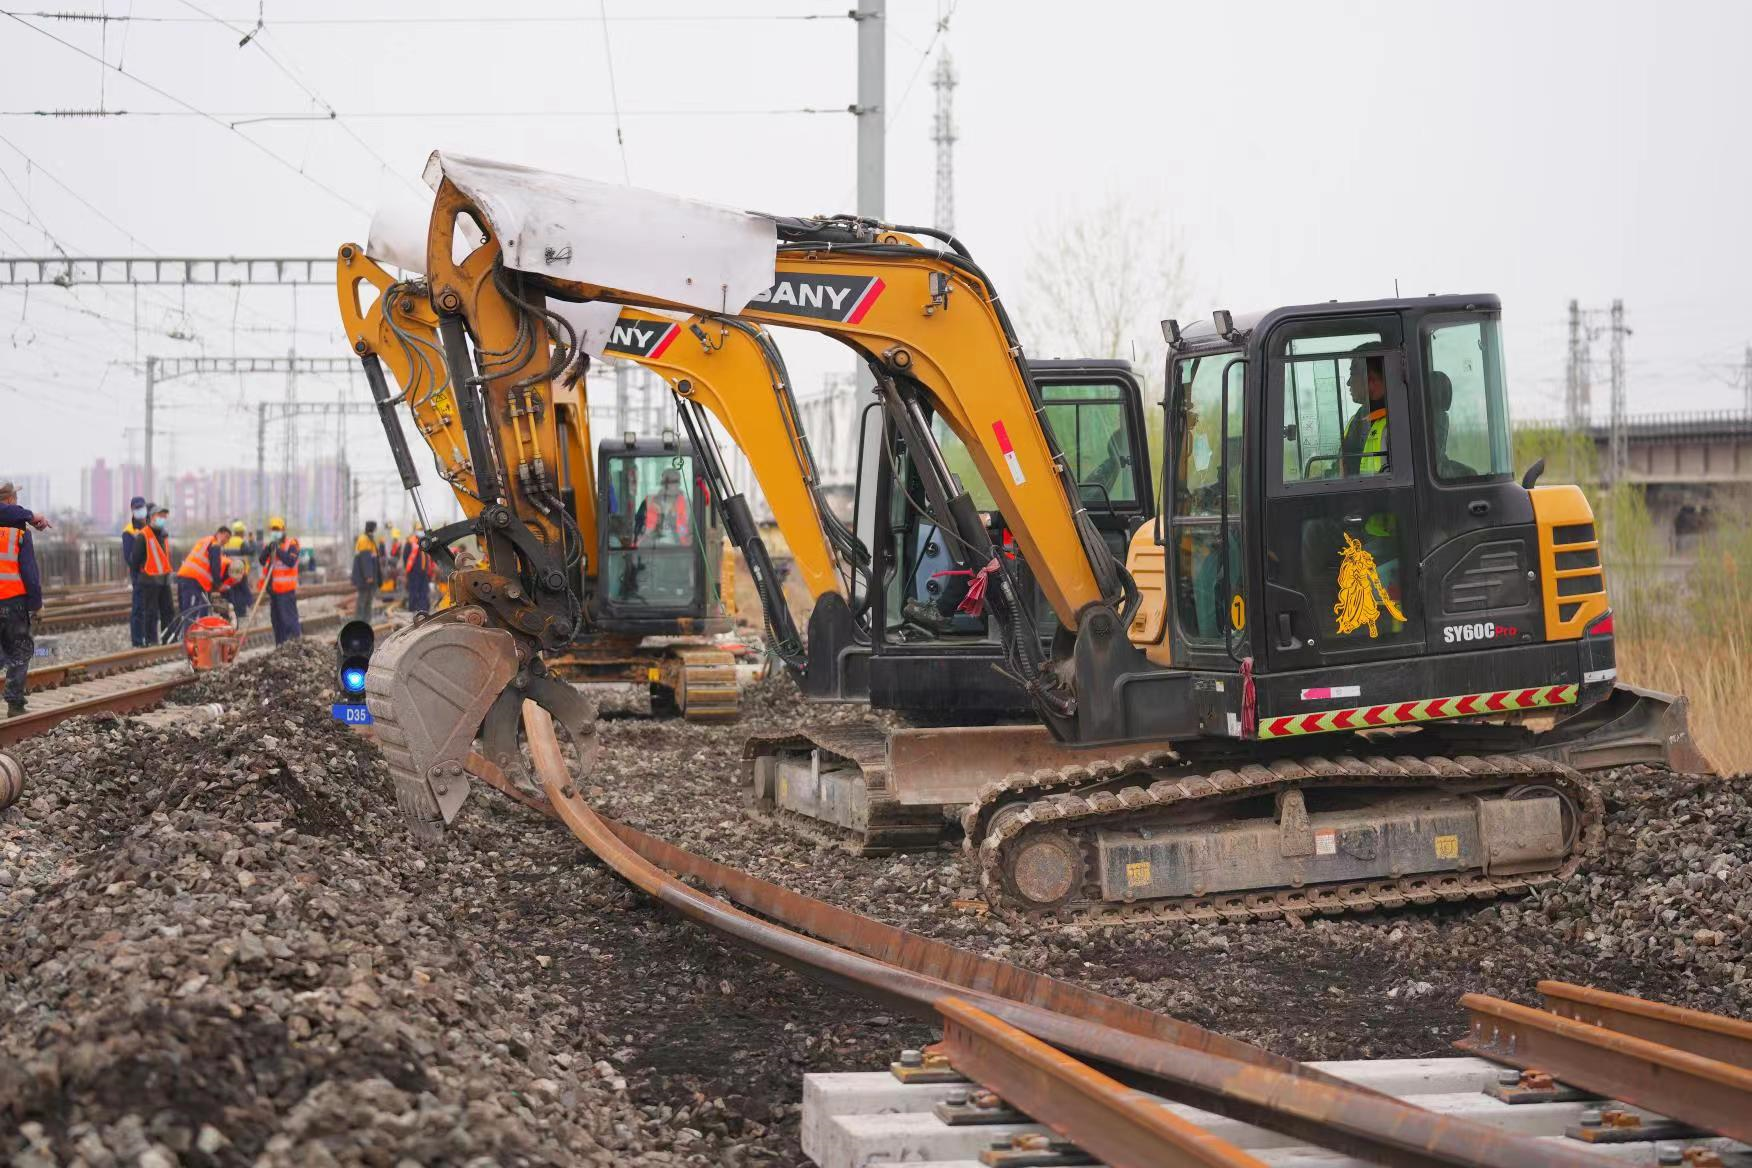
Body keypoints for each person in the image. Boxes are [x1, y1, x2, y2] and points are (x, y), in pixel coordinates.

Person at [0, 481, 51, 718]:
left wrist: (30, 516)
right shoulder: (20, 534)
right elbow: (30, 573)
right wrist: (37, 605)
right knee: (19, 650)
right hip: (13, 601)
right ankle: (15, 704)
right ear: (10, 500)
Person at [127, 505, 176, 645]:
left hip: (164, 580)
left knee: (168, 611)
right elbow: (134, 560)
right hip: (149, 581)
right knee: (151, 613)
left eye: (164, 517)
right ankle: (151, 641)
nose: (162, 519)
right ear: (151, 517)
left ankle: (168, 638)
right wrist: (141, 574)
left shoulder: (164, 535)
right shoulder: (143, 535)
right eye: (159, 516)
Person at [1341, 351, 1391, 476]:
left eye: (1352, 374)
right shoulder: (1356, 420)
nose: (1348, 382)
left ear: (1371, 379)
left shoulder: (1397, 423)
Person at [176, 523, 232, 621]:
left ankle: (185, 634)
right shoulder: (215, 545)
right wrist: (218, 584)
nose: (226, 541)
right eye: (226, 537)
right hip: (192, 580)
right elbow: (215, 567)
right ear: (219, 533)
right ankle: (189, 635)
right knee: (191, 613)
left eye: (228, 539)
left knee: (188, 611)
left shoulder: (206, 540)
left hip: (187, 577)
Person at [259, 516, 301, 644]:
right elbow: (262, 561)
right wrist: (267, 550)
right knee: (277, 622)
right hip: (275, 592)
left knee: (289, 621)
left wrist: (277, 550)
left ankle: (295, 647)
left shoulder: (292, 543)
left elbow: (290, 561)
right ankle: (280, 650)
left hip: (287, 592)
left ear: (283, 530)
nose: (275, 532)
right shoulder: (271, 546)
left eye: (277, 529)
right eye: (272, 529)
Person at [121, 495, 149, 646]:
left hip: (153, 575)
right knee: (138, 608)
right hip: (139, 575)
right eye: (137, 508)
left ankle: (149, 638)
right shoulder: (129, 532)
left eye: (142, 507)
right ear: (132, 510)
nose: (140, 511)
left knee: (150, 609)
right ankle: (137, 641)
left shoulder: (150, 526)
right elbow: (129, 557)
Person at [638, 468, 692, 546]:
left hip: (679, 549)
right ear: (662, 484)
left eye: (673, 482)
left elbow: (692, 532)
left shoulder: (688, 504)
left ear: (678, 484)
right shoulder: (649, 501)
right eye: (666, 482)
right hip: (652, 548)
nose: (669, 486)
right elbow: (639, 527)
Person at [351, 519, 382, 620]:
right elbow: (366, 560)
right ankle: (359, 622)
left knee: (368, 601)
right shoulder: (364, 540)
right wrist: (369, 576)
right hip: (365, 578)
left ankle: (366, 622)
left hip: (369, 578)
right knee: (362, 601)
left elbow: (372, 558)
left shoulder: (369, 539)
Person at [402, 525, 436, 614]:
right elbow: (405, 558)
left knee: (424, 592)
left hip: (424, 572)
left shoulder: (425, 542)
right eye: (419, 530)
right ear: (415, 531)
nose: (420, 531)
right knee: (413, 591)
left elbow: (429, 556)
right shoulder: (409, 543)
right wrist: (407, 572)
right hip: (413, 572)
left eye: (422, 530)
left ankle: (423, 611)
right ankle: (412, 610)